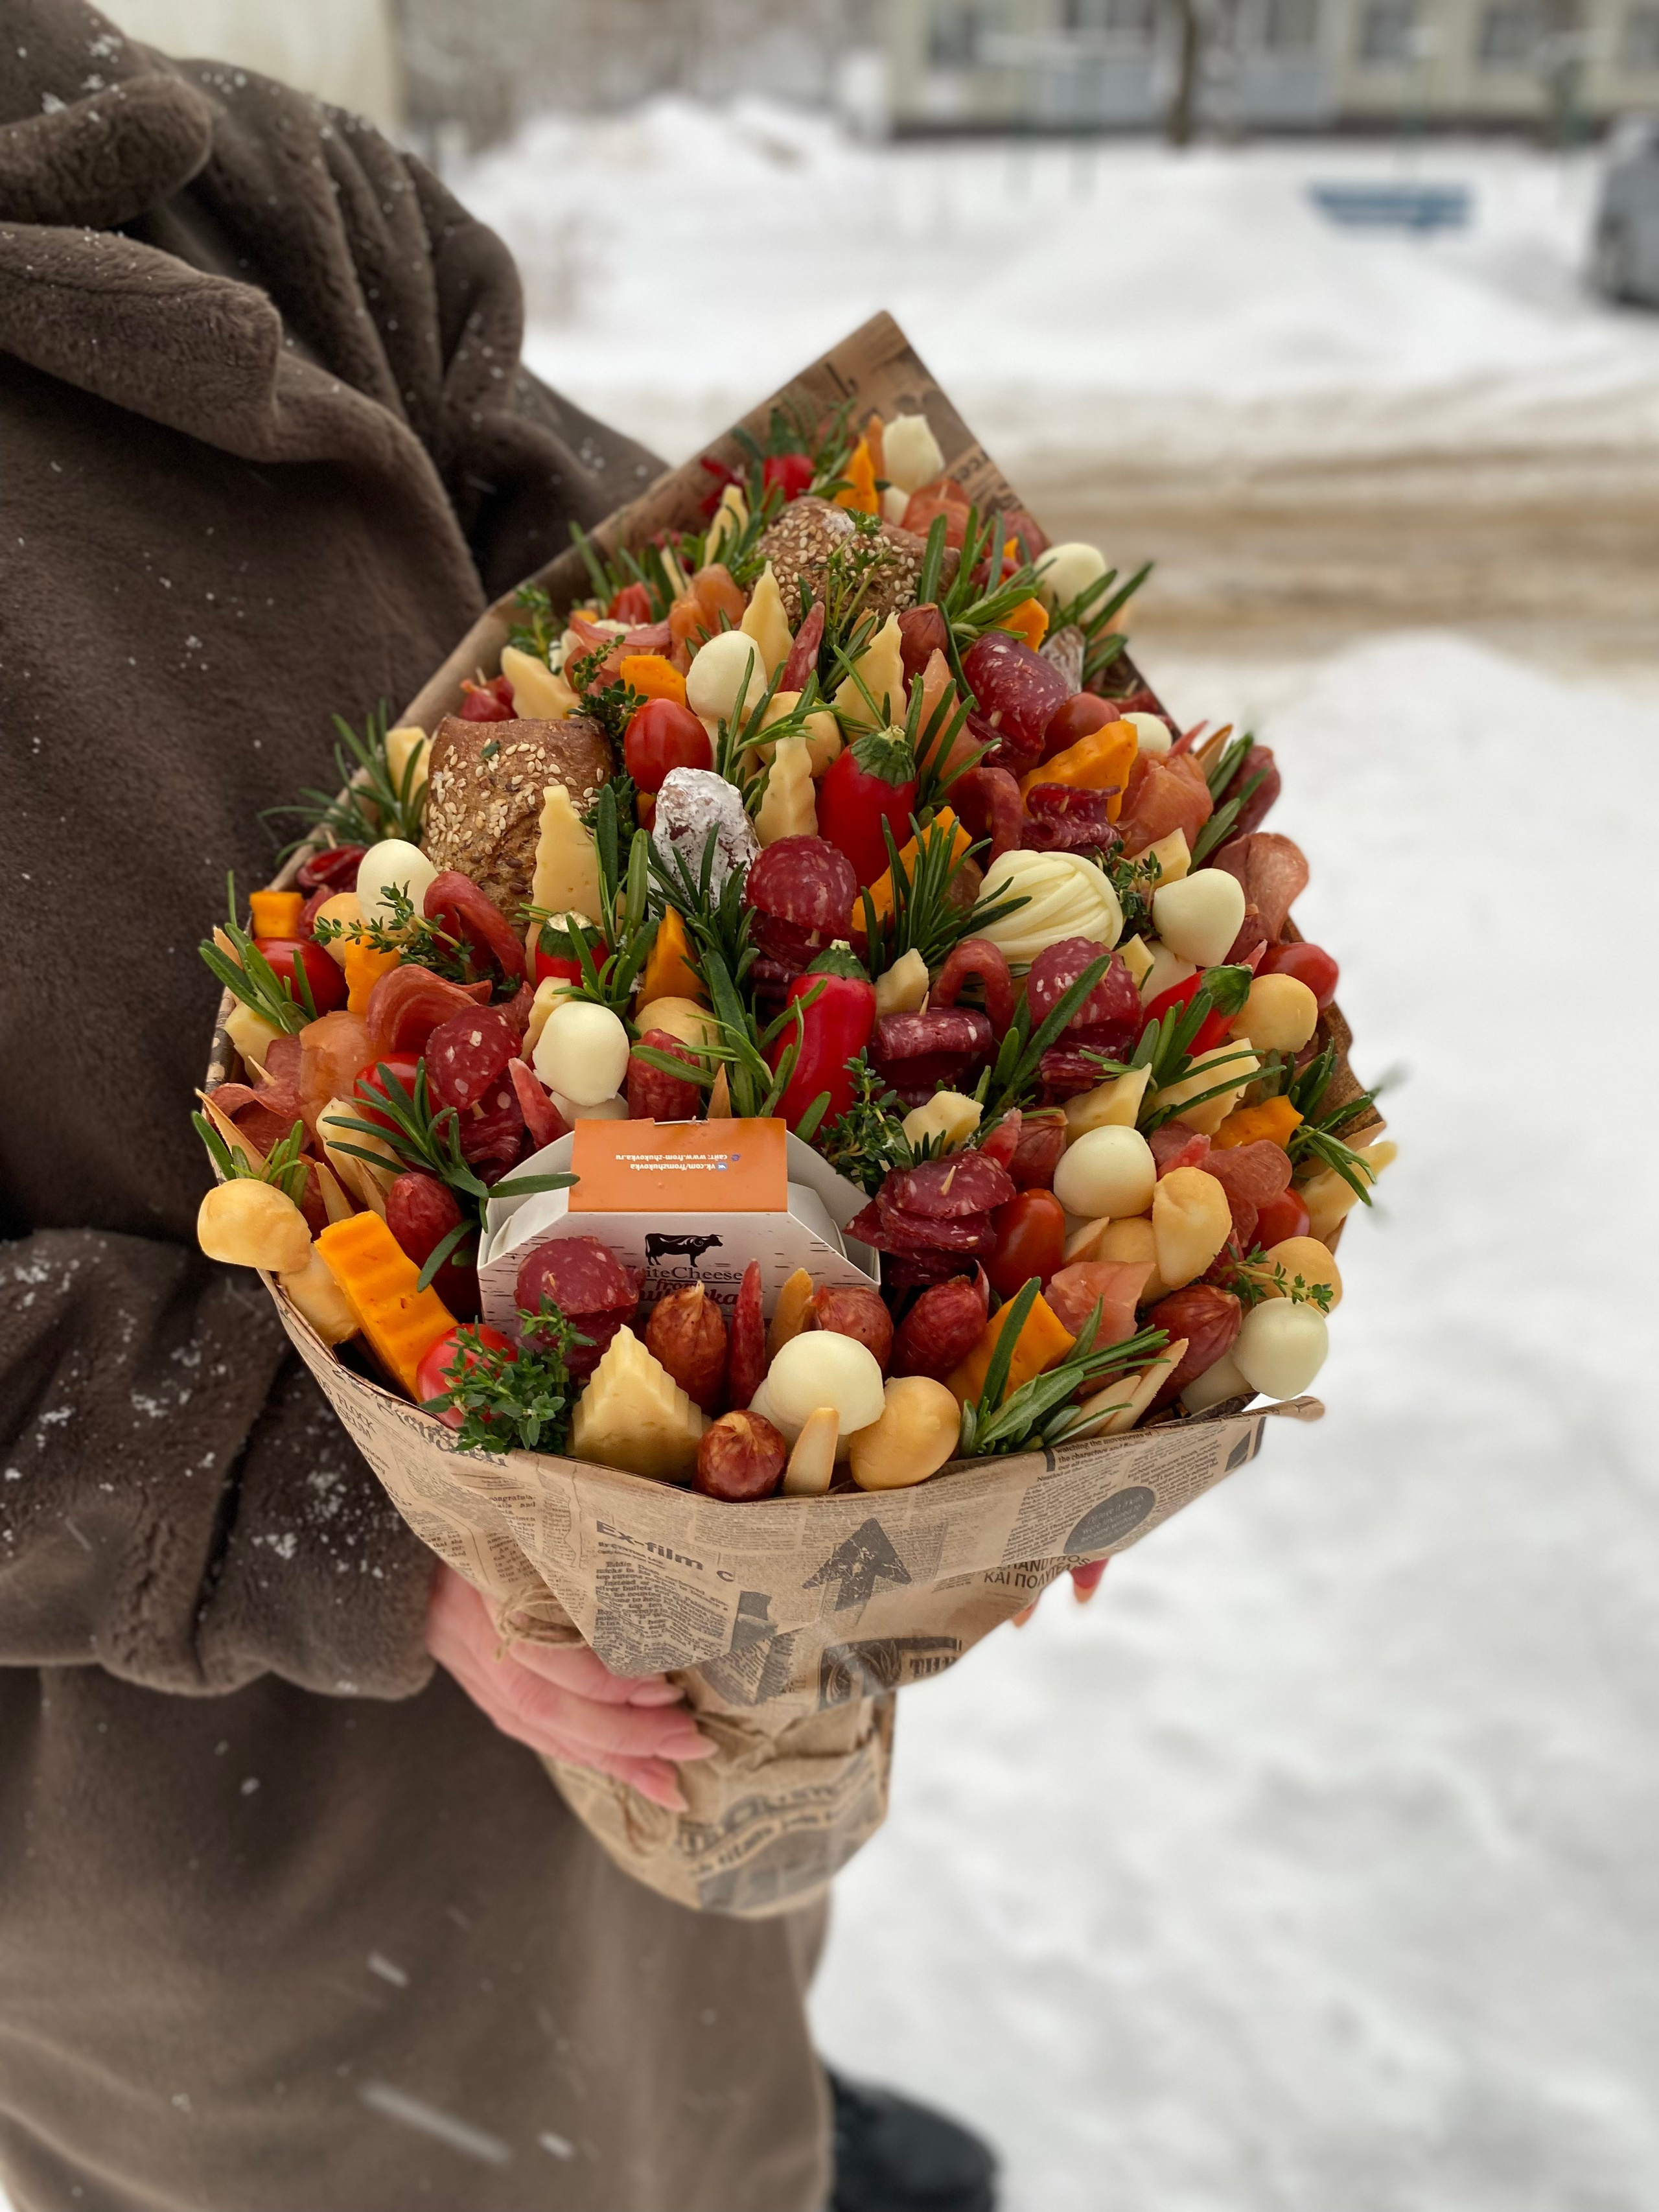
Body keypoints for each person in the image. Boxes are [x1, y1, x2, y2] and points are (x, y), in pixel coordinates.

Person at [0, 4, 999, 2207]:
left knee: (689, 2095)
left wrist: (989, 1293)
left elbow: (639, 636)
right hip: (219, 1790)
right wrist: (345, 1518)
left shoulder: (261, 184)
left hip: (654, 1508)